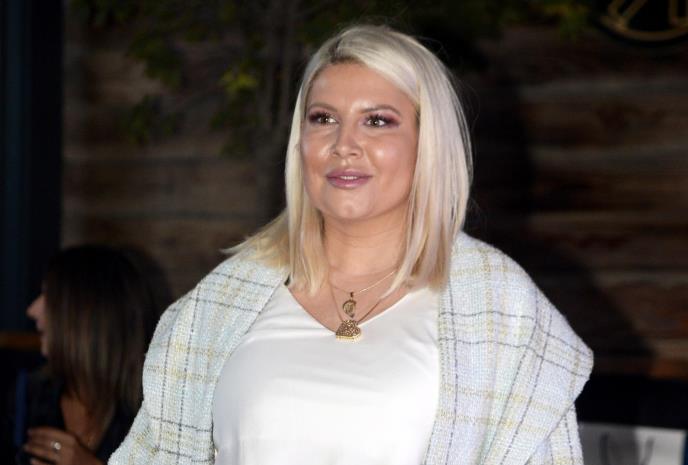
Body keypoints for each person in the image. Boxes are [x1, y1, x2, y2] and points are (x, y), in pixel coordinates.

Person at [110, 24, 593, 465]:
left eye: (377, 121)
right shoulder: (220, 303)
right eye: (323, 118)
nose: (344, 144)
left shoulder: (500, 307)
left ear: (428, 142)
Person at [15, 245, 163, 465]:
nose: (32, 310)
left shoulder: (155, 416)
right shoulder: (26, 397)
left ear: (87, 316)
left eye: (49, 296)